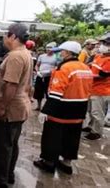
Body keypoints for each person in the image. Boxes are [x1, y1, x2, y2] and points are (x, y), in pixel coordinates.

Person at [0, 23, 33, 188]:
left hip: (10, 110)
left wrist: (1, 107)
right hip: (19, 108)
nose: (3, 38)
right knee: (10, 144)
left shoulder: (16, 56)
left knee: (0, 145)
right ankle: (7, 175)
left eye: (5, 35)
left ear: (13, 37)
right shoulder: (25, 53)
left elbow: (11, 85)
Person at [33, 41, 93, 175]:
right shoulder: (85, 68)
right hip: (79, 109)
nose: (59, 54)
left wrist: (45, 111)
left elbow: (56, 93)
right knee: (72, 137)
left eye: (61, 51)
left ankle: (48, 162)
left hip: (61, 110)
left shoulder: (64, 68)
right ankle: (67, 164)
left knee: (52, 136)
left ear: (67, 52)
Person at [85, 34, 110, 140]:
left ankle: (96, 132)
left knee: (97, 112)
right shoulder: (98, 56)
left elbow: (102, 75)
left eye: (106, 44)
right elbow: (90, 65)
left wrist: (87, 76)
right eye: (103, 43)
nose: (102, 45)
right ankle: (91, 126)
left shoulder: (108, 60)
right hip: (92, 89)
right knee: (91, 110)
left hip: (101, 90)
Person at [33, 42, 58, 110]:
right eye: (47, 48)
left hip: (50, 76)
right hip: (40, 75)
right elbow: (37, 65)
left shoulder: (56, 57)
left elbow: (57, 66)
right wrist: (37, 71)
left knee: (48, 92)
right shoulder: (42, 56)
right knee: (38, 91)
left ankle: (47, 107)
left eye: (50, 48)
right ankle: (38, 106)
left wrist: (52, 71)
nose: (48, 49)